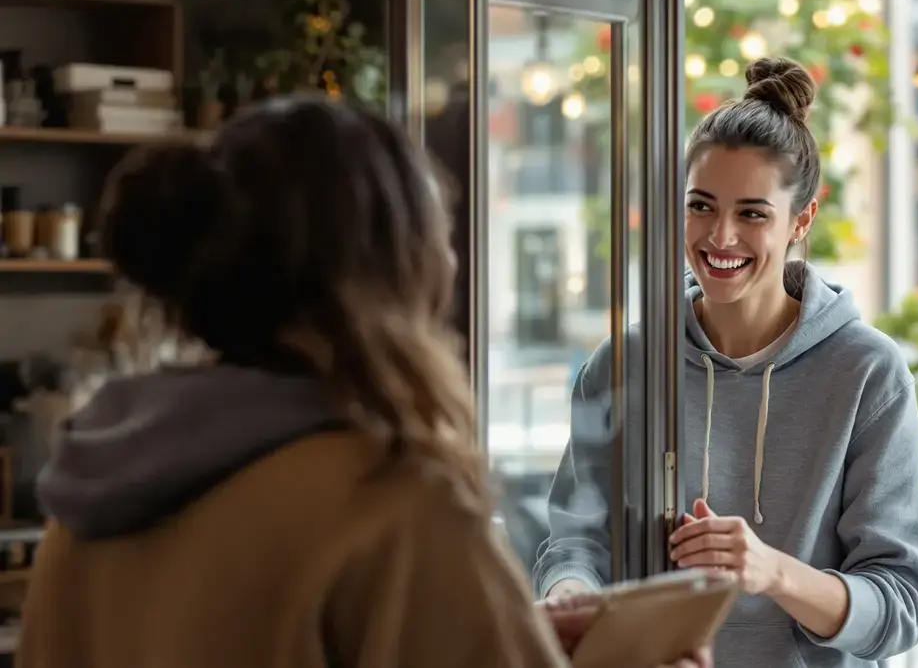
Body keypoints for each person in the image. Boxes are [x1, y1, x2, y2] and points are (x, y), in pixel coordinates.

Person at [19, 98, 709, 668]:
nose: (451, 257)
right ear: (390, 269)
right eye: (437, 228)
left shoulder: (91, 495)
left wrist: (511, 635)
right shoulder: (392, 498)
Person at [533, 58, 918, 666]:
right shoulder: (622, 366)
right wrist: (570, 597)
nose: (719, 237)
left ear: (801, 220)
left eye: (752, 213)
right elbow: (574, 540)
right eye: (701, 206)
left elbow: (901, 603)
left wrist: (771, 571)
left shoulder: (867, 374)